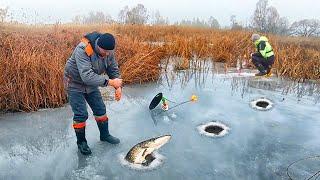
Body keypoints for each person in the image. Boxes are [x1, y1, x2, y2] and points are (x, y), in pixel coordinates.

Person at [64, 31, 122, 155]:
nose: (106, 54)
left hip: (91, 83)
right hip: (74, 83)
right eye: (104, 51)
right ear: (98, 46)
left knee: (100, 109)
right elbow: (87, 76)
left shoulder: (108, 52)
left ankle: (105, 135)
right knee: (81, 114)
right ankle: (81, 143)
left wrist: (118, 87)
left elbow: (113, 69)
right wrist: (110, 83)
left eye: (109, 52)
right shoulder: (83, 49)